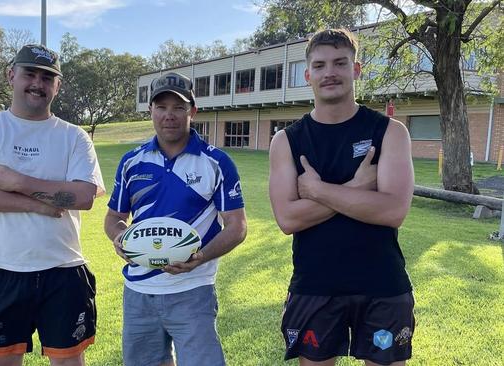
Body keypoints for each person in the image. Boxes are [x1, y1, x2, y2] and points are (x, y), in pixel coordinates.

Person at [0, 44, 105, 366]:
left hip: (63, 270)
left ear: (57, 86)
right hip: (0, 269)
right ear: (11, 75)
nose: (37, 84)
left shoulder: (74, 137)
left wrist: (20, 183)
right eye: (30, 74)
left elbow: (84, 196)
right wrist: (37, 205)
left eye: (47, 78)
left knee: (70, 361)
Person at [268, 29, 415, 366]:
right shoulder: (287, 141)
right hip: (315, 283)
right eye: (319, 65)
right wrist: (357, 187)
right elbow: (288, 219)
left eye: (340, 63)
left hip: (382, 283)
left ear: (356, 69)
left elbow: (393, 210)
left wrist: (317, 191)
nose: (329, 72)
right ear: (308, 75)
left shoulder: (390, 132)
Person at [103, 72, 247, 366]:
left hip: (193, 291)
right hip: (139, 294)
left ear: (192, 111)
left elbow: (237, 226)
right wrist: (119, 237)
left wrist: (201, 256)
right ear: (150, 111)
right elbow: (114, 217)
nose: (169, 115)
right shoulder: (132, 161)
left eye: (179, 107)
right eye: (162, 106)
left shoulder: (216, 162)